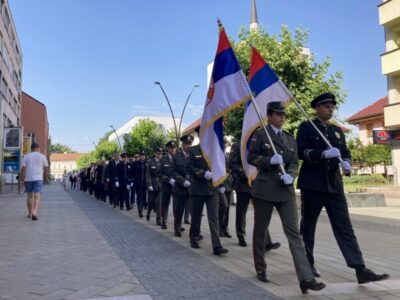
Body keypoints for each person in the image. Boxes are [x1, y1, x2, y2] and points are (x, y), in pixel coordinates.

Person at [296, 92, 390, 284]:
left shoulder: (336, 131)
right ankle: (307, 264)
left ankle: (360, 269)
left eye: (332, 107)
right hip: (313, 184)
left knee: (345, 227)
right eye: (326, 107)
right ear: (317, 108)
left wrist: (346, 162)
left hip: (334, 185)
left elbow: (345, 152)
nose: (330, 110)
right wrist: (322, 154)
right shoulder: (307, 127)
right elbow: (301, 152)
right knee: (308, 226)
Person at [248, 102, 325, 294]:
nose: (282, 117)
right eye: (278, 114)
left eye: (283, 114)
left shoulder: (290, 139)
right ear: (269, 116)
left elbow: (294, 162)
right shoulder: (261, 135)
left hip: (285, 190)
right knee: (261, 230)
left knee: (294, 234)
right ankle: (260, 268)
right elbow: (251, 158)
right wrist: (268, 161)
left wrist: (291, 174)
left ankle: (305, 277)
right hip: (265, 190)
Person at [229, 140, 280, 250]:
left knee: (261, 214)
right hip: (243, 184)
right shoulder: (238, 145)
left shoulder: (260, 143)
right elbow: (232, 164)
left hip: (258, 184)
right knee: (241, 213)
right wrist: (246, 173)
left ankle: (267, 241)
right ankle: (241, 236)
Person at [187, 143, 229, 256]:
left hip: (212, 189)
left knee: (214, 218)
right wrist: (202, 173)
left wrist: (222, 183)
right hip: (198, 188)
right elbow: (189, 167)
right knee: (196, 215)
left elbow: (220, 167)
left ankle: (217, 246)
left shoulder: (214, 149)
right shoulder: (193, 150)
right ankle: (194, 237)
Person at [19, 143, 49, 221]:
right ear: (37, 148)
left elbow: (23, 169)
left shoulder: (26, 156)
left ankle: (30, 213)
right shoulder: (42, 156)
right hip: (38, 179)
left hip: (28, 179)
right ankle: (34, 212)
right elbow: (46, 168)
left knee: (29, 196)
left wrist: (21, 179)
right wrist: (46, 178)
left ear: (31, 148)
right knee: (37, 195)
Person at [172, 135, 193, 237]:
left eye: (190, 144)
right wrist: (182, 180)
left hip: (192, 189)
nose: (188, 146)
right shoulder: (177, 156)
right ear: (182, 144)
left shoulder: (194, 155)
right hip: (180, 188)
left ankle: (195, 232)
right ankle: (177, 228)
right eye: (186, 144)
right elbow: (173, 172)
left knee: (194, 212)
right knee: (178, 210)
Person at [159, 140, 177, 230]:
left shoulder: (179, 158)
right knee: (165, 204)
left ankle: (177, 225)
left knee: (177, 205)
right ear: (168, 148)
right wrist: (168, 180)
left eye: (174, 148)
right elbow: (160, 174)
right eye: (171, 148)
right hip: (166, 185)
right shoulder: (163, 159)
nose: (172, 149)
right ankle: (164, 222)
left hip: (177, 185)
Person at [145, 148, 163, 224]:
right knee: (151, 202)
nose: (159, 155)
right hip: (152, 184)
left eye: (161, 154)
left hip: (161, 185)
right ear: (155, 153)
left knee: (159, 203)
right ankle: (148, 212)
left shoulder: (163, 162)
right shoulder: (150, 162)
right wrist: (149, 184)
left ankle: (158, 219)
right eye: (158, 153)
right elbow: (147, 174)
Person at [132, 150, 147, 217]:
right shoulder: (135, 163)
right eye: (141, 155)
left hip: (145, 183)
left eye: (143, 155)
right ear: (139, 156)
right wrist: (132, 181)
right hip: (138, 183)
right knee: (139, 197)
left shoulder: (147, 163)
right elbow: (132, 172)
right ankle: (140, 210)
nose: (142, 156)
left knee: (144, 197)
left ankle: (143, 206)